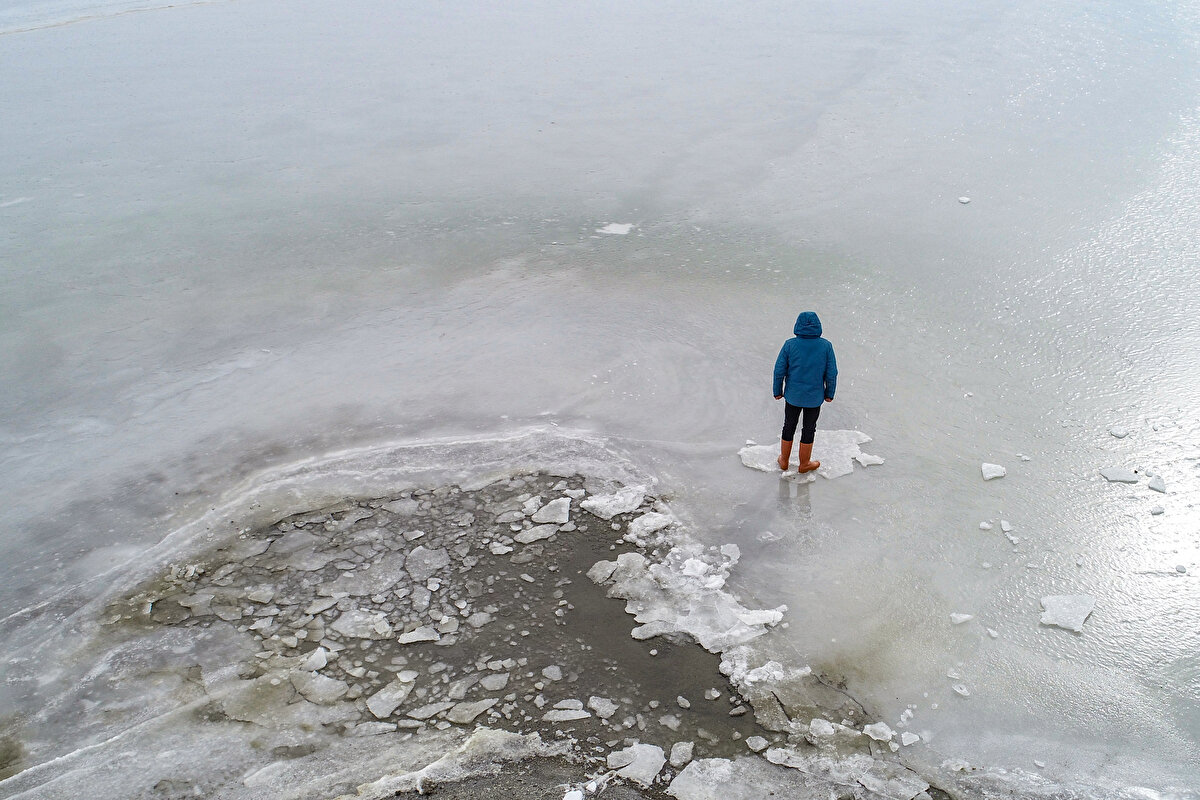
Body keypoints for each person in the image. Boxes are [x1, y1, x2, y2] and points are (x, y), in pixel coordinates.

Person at [772, 311, 837, 473]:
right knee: (809, 428)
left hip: (793, 396)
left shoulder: (789, 345)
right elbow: (831, 373)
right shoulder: (826, 346)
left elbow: (779, 370)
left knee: (789, 426)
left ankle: (784, 460)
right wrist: (829, 393)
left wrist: (777, 390)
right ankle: (804, 463)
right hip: (814, 398)